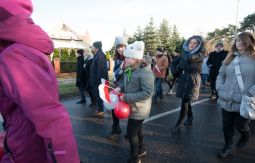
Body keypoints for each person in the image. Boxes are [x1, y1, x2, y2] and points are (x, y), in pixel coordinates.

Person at [0, 0, 80, 162]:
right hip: (24, 144)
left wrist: (67, 159)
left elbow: (51, 116)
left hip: (28, 151)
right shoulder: (19, 49)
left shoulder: (15, 55)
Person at [216, 31, 255, 158]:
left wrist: (250, 92)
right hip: (226, 98)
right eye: (237, 40)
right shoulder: (230, 57)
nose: (239, 43)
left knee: (241, 126)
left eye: (242, 40)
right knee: (226, 125)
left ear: (249, 42)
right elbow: (221, 74)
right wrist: (219, 88)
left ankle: (245, 136)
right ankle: (228, 147)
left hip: (244, 100)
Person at [117, 41, 154, 163]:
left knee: (131, 133)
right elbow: (126, 81)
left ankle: (135, 157)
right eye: (126, 56)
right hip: (133, 106)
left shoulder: (145, 72)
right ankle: (141, 149)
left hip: (139, 108)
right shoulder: (131, 68)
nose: (125, 59)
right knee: (138, 130)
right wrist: (119, 87)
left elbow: (147, 93)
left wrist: (125, 97)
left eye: (128, 57)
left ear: (136, 58)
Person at [172, 35, 205, 133]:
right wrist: (175, 72)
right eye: (190, 43)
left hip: (192, 80)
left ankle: (179, 124)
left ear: (199, 45)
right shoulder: (185, 53)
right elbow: (173, 63)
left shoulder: (201, 53)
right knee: (186, 100)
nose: (192, 45)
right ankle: (190, 118)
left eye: (195, 43)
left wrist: (184, 52)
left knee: (185, 101)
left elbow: (190, 58)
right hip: (183, 78)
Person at [107, 36, 128, 140]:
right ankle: (116, 128)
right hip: (117, 85)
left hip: (127, 87)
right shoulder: (117, 59)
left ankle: (133, 132)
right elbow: (116, 73)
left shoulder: (129, 58)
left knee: (131, 110)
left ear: (126, 46)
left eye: (122, 46)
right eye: (118, 47)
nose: (121, 49)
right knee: (114, 107)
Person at [90, 41, 109, 118]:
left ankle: (100, 111)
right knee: (98, 95)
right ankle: (100, 109)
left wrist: (99, 82)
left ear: (96, 47)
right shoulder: (98, 54)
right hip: (96, 80)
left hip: (98, 81)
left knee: (99, 95)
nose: (92, 47)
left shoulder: (100, 55)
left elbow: (100, 70)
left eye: (92, 46)